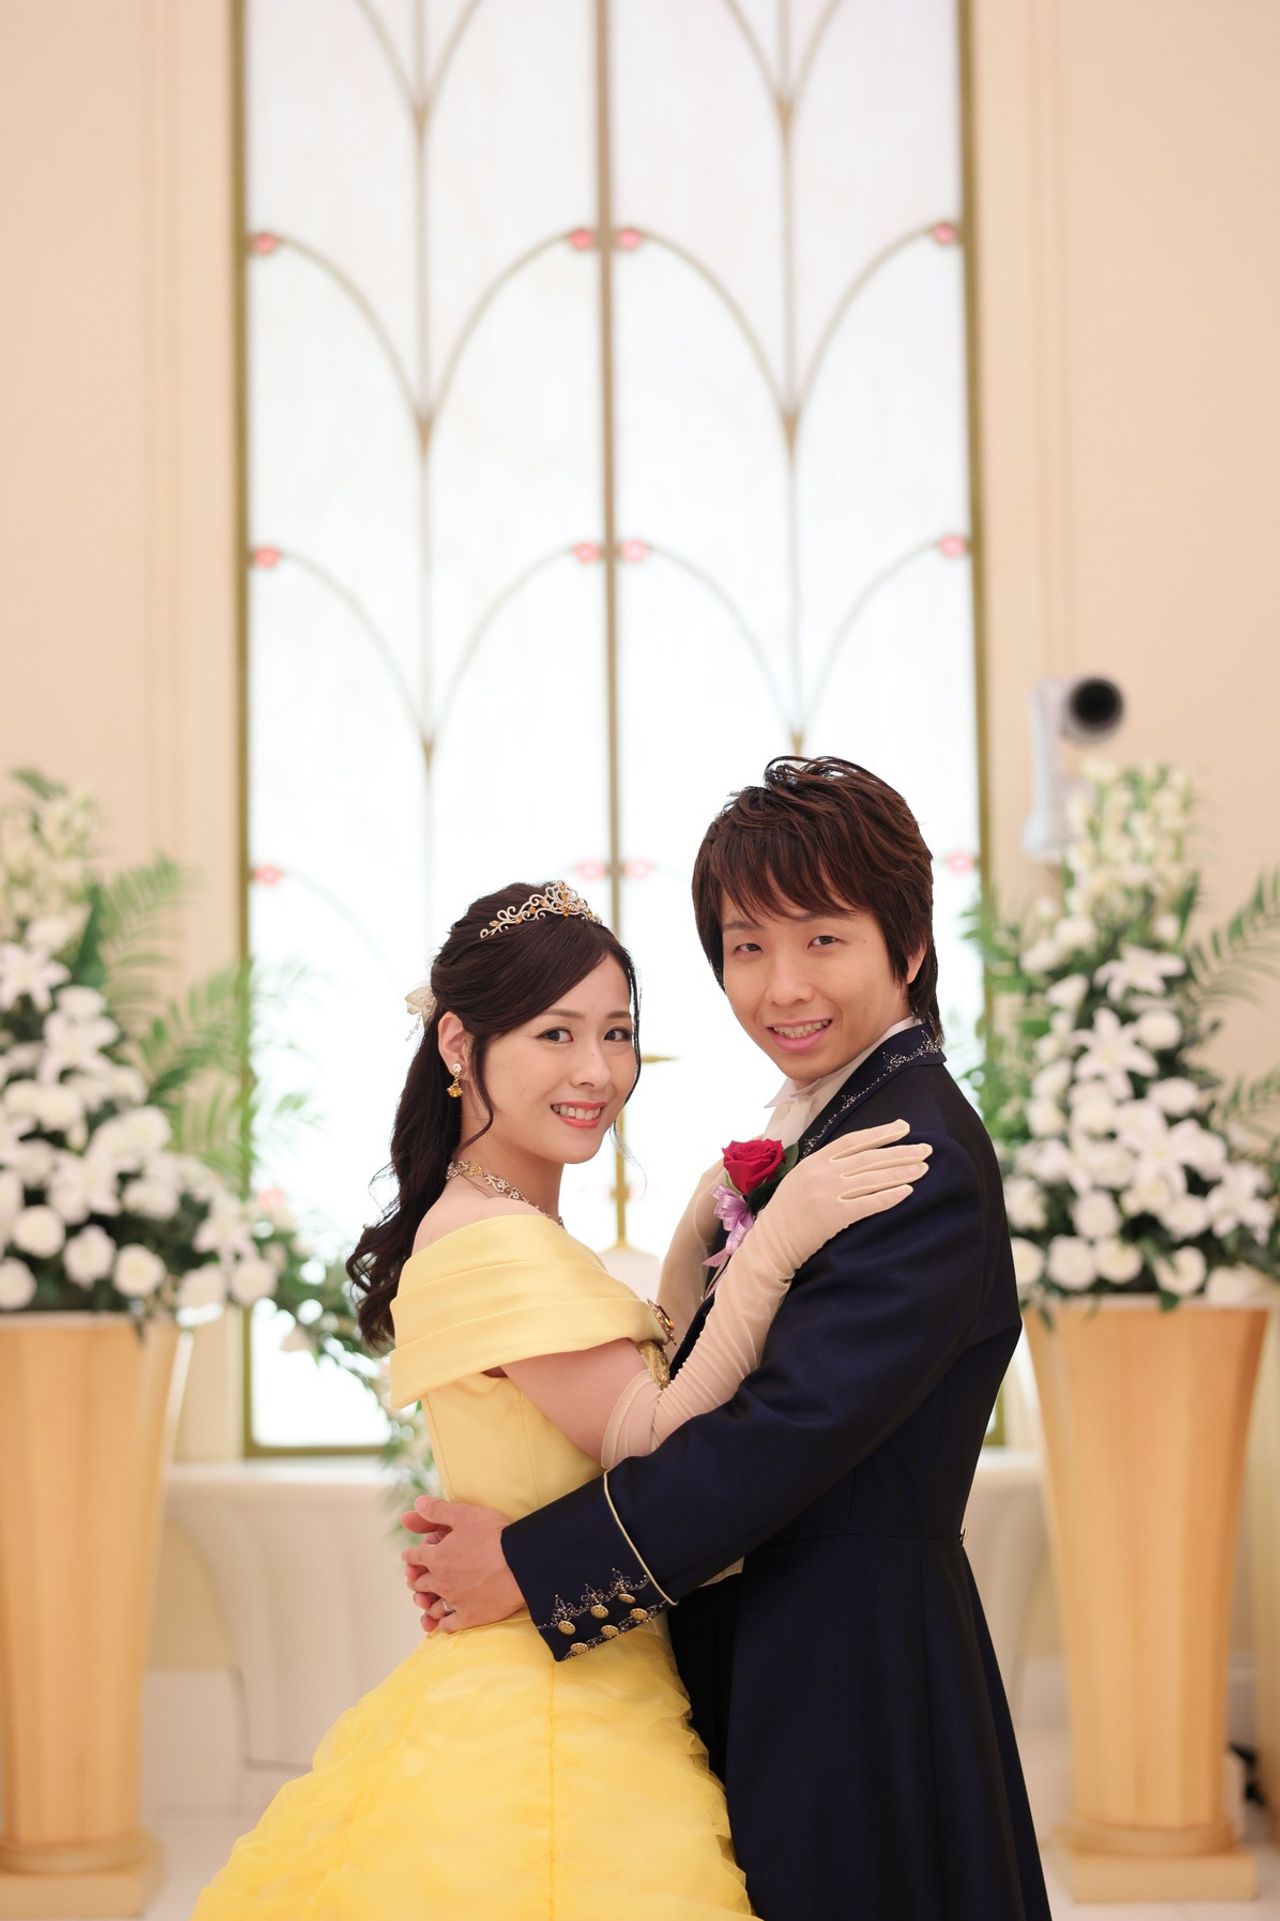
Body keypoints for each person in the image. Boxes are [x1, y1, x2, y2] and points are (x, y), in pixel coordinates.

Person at [191, 877, 928, 1920]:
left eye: (616, 1032)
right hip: (553, 1708)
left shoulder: (498, 1218)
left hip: (574, 1663)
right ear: (459, 1044)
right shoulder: (494, 1240)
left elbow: (631, 1389)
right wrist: (771, 1250)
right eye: (554, 1033)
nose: (596, 1070)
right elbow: (652, 1437)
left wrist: (691, 1247)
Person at [402, 761, 1053, 1921]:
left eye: (822, 939)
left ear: (907, 946)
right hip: (783, 1658)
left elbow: (773, 1441)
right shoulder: (839, 1128)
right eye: (747, 946)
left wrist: (536, 1565)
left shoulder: (907, 1156)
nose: (779, 986)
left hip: (850, 1677)